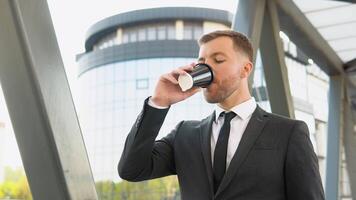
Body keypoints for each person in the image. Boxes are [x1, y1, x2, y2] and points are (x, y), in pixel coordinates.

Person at [118, 30, 325, 200]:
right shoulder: (185, 134)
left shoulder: (289, 133)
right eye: (201, 62)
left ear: (245, 69)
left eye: (217, 60)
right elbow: (131, 169)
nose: (206, 68)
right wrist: (159, 102)